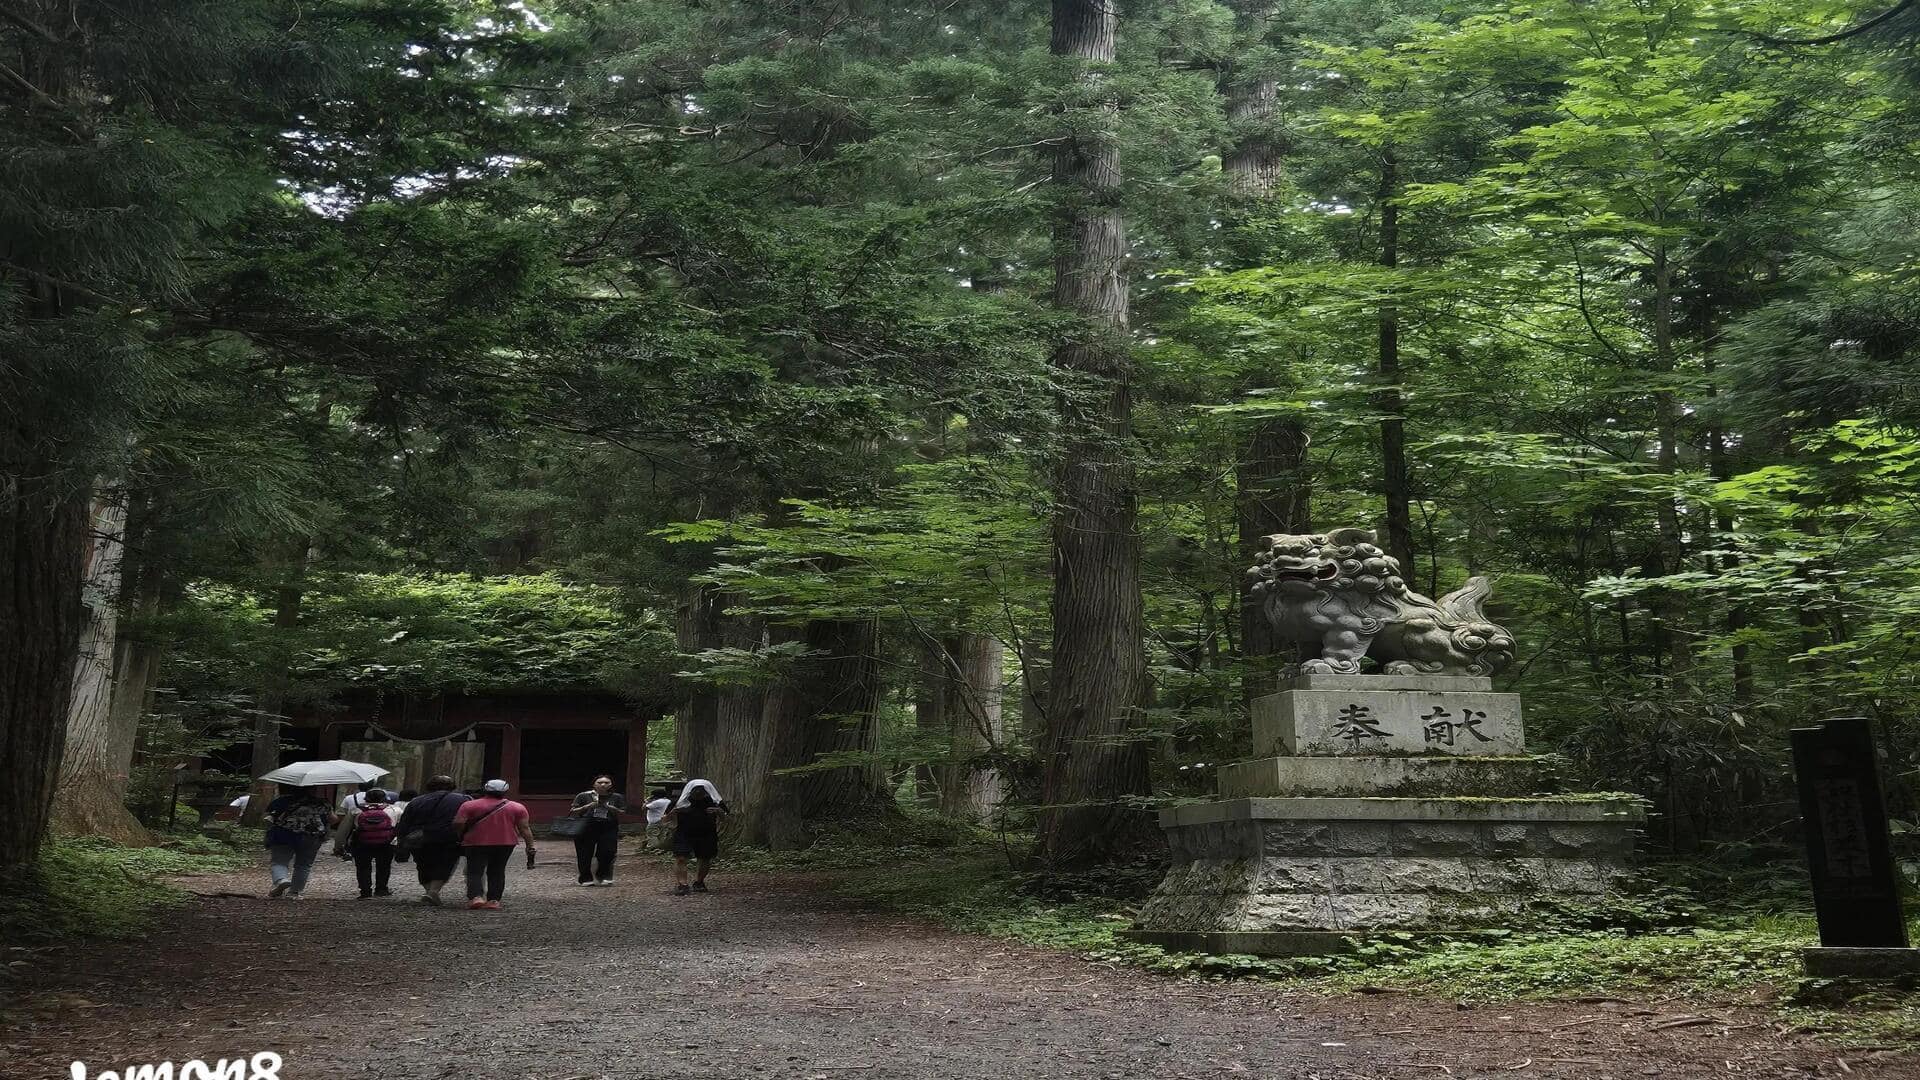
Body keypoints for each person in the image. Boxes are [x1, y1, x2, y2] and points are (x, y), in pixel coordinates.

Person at [453, 779, 535, 910]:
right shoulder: (517, 807)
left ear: (485, 789)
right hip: (505, 842)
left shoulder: (469, 805)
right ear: (505, 791)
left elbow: (458, 823)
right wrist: (530, 845)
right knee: (497, 870)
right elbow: (524, 829)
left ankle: (476, 897)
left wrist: (461, 834)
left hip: (475, 841)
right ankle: (494, 900)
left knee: (475, 870)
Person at [396, 775, 469, 906]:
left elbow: (405, 822)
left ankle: (429, 891)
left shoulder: (416, 801)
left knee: (423, 864)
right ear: (452, 786)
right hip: (448, 837)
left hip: (419, 838)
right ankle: (433, 892)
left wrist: (402, 840)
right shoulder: (463, 799)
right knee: (445, 863)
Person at [263, 785, 336, 899]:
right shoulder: (322, 803)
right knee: (304, 865)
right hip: (312, 836)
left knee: (279, 861)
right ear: (313, 789)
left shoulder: (281, 801)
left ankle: (281, 880)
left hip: (284, 834)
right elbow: (333, 819)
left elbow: (268, 817)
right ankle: (294, 892)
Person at [566, 774, 631, 886]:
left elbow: (622, 812)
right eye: (600, 782)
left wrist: (609, 807)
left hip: (608, 826)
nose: (603, 785)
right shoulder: (583, 796)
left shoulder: (617, 797)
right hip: (586, 826)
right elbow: (573, 811)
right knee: (584, 853)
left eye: (606, 782)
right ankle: (585, 878)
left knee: (608, 851)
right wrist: (588, 806)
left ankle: (604, 875)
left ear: (611, 784)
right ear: (594, 784)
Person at [666, 779, 726, 896]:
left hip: (707, 833)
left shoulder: (714, 801)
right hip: (683, 833)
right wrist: (675, 811)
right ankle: (682, 885)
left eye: (701, 790)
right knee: (681, 858)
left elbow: (725, 818)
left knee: (704, 858)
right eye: (696, 790)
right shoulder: (679, 801)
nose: (698, 792)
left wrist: (718, 811)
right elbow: (665, 819)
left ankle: (699, 882)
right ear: (690, 790)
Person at [346, 789, 399, 899]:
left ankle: (365, 891)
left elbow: (345, 829)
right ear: (385, 798)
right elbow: (400, 827)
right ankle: (381, 889)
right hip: (386, 843)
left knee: (363, 867)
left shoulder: (356, 810)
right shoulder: (394, 810)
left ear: (366, 798)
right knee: (384, 866)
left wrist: (340, 845)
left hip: (362, 842)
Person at [333, 781, 380, 856]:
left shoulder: (349, 798)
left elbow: (342, 813)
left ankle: (340, 848)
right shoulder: (378, 798)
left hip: (354, 823)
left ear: (359, 786)